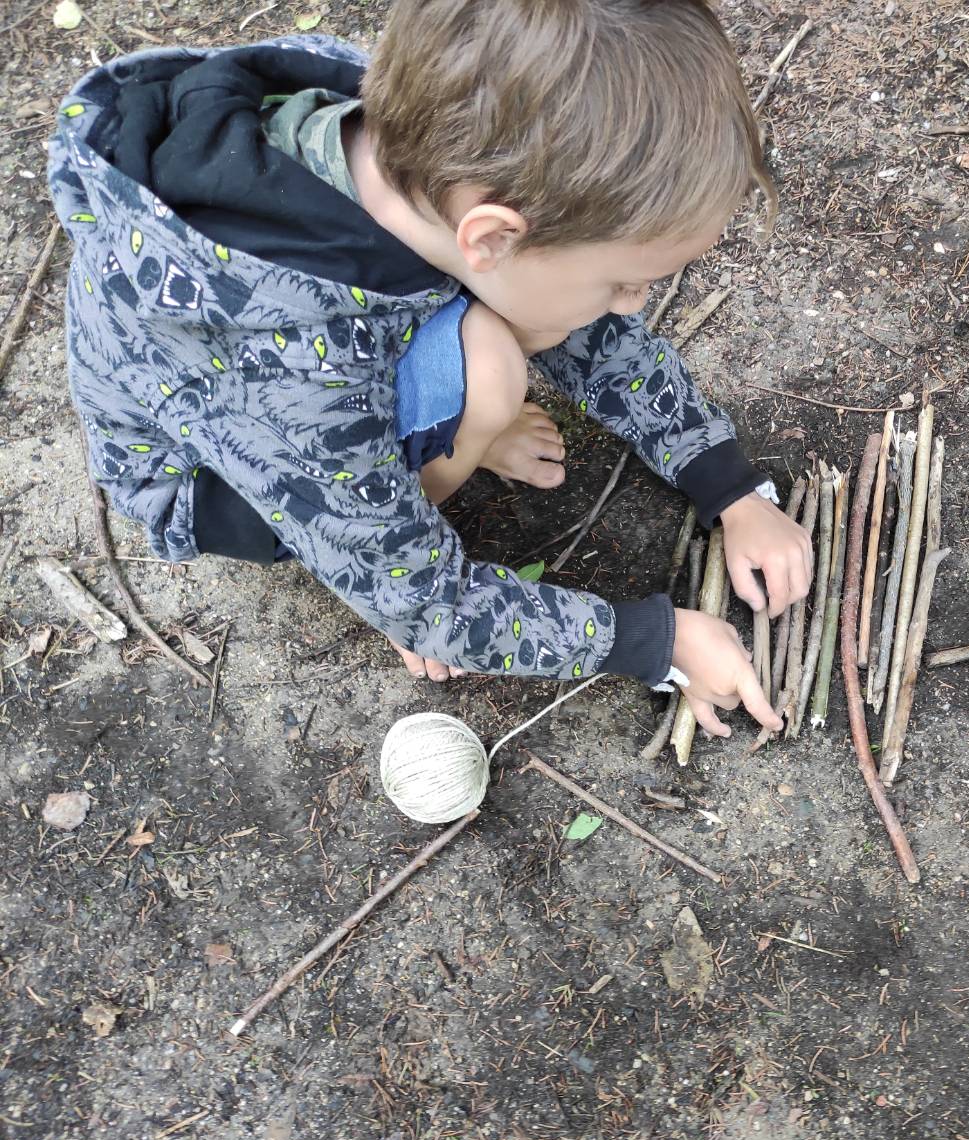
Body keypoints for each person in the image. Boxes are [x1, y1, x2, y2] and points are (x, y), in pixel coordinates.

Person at [47, 0, 812, 737]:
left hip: (324, 376)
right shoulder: (295, 370)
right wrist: (656, 641)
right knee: (490, 363)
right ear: (489, 237)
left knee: (528, 316)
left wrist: (728, 485)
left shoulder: (438, 150)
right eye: (621, 282)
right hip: (227, 480)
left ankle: (442, 444)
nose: (635, 304)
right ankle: (378, 536)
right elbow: (434, 607)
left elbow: (589, 330)